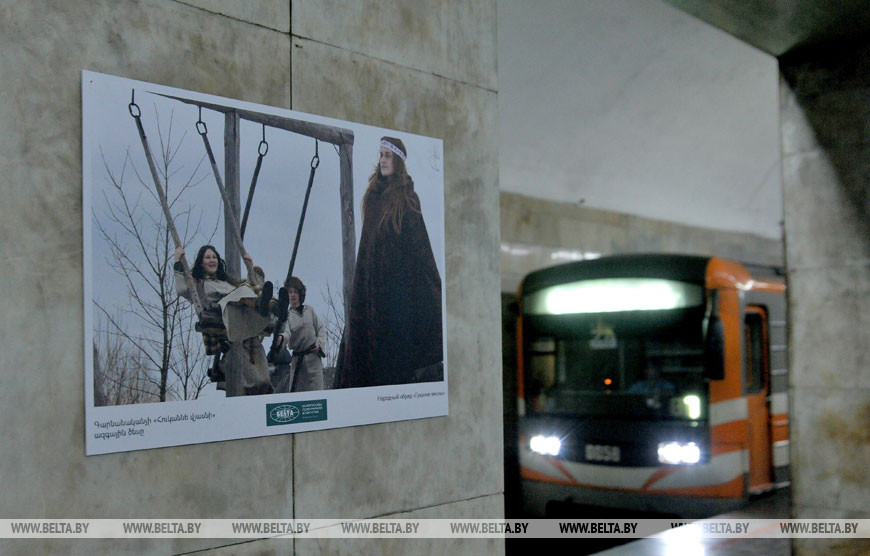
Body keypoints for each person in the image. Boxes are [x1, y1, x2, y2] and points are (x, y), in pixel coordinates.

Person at [334, 137, 443, 388]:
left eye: (388, 156)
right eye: (381, 155)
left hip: (397, 294)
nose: (382, 160)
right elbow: (366, 248)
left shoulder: (407, 198)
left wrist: (434, 287)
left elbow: (420, 246)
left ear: (398, 162)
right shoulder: (373, 198)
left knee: (392, 356)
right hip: (371, 288)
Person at [174, 245, 282, 395]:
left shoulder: (226, 282)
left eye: (214, 257)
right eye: (207, 257)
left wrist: (251, 267)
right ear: (201, 262)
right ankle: (265, 305)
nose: (212, 260)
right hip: (225, 313)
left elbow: (251, 286)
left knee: (263, 381)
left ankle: (274, 306)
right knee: (243, 290)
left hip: (244, 320)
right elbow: (182, 289)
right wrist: (177, 260)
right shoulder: (198, 284)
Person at [272, 277, 326, 392]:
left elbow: (320, 329)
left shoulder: (309, 310)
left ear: (300, 294)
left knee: (318, 395)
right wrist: (279, 340)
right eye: (290, 292)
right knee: (299, 395)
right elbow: (286, 333)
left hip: (314, 360)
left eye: (295, 292)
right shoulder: (287, 316)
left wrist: (319, 344)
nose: (293, 295)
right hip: (299, 364)